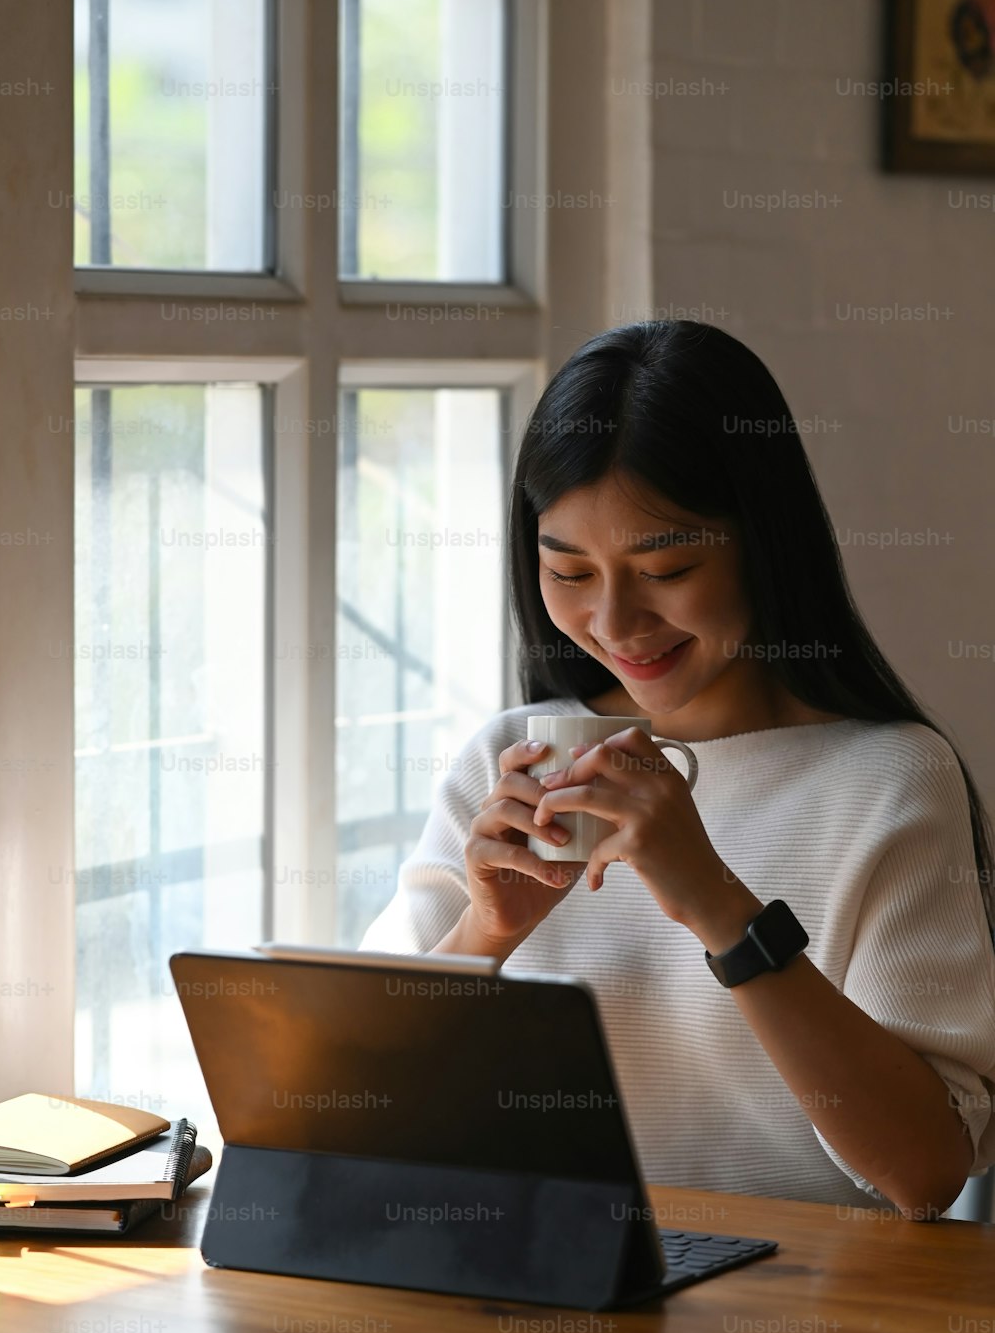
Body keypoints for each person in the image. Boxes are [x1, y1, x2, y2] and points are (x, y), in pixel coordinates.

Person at [359, 319, 995, 1216]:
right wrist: (487, 934)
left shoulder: (888, 779)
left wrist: (717, 904)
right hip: (522, 1271)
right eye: (569, 571)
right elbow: (348, 1098)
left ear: (762, 544)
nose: (615, 624)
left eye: (669, 567)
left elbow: (925, 1169)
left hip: (795, 1310)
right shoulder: (514, 757)